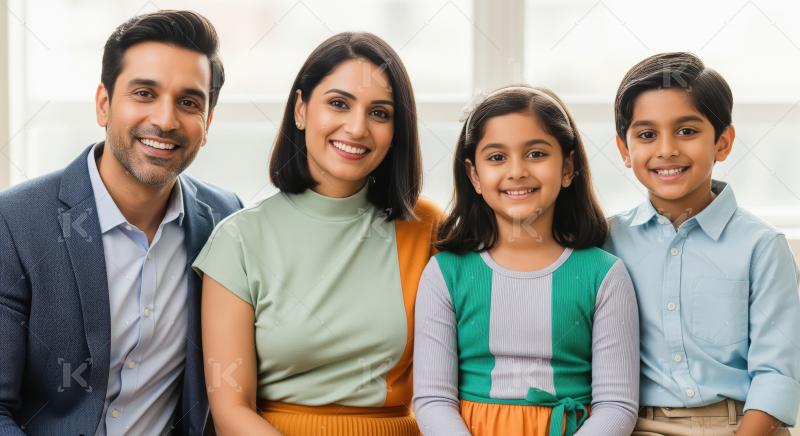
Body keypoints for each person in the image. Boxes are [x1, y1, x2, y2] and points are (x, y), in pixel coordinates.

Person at [0, 10, 242, 435]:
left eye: (188, 102)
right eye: (145, 93)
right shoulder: (16, 223)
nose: (165, 120)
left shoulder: (225, 220)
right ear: (104, 104)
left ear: (208, 124)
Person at [193, 32, 441, 435]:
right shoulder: (238, 239)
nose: (357, 127)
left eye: (380, 113)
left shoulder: (425, 227)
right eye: (339, 103)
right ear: (301, 109)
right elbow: (232, 410)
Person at [413, 85, 639, 436]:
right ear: (474, 176)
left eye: (536, 154)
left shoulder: (604, 275)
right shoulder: (445, 273)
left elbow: (617, 405)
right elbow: (433, 400)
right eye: (497, 157)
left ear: (567, 168)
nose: (516, 171)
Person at [605, 52, 800, 435]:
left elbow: (777, 373)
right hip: (635, 424)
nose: (666, 150)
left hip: (741, 424)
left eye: (687, 131)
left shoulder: (761, 246)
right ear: (625, 151)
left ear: (723, 142)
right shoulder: (607, 241)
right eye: (647, 135)